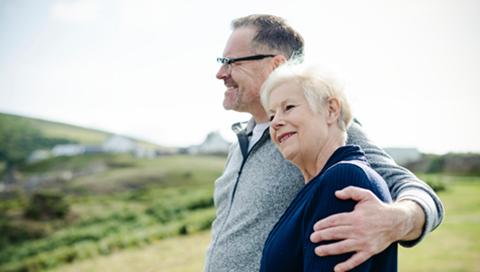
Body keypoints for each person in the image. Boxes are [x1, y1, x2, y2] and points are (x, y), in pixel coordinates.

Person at [204, 14, 444, 272]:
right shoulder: (241, 140)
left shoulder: (320, 127)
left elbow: (414, 190)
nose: (220, 73)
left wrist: (397, 221)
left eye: (231, 62)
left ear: (276, 65)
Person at [259, 63, 397, 271]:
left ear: (331, 110)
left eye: (288, 108)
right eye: (271, 116)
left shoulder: (343, 179)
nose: (275, 122)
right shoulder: (317, 187)